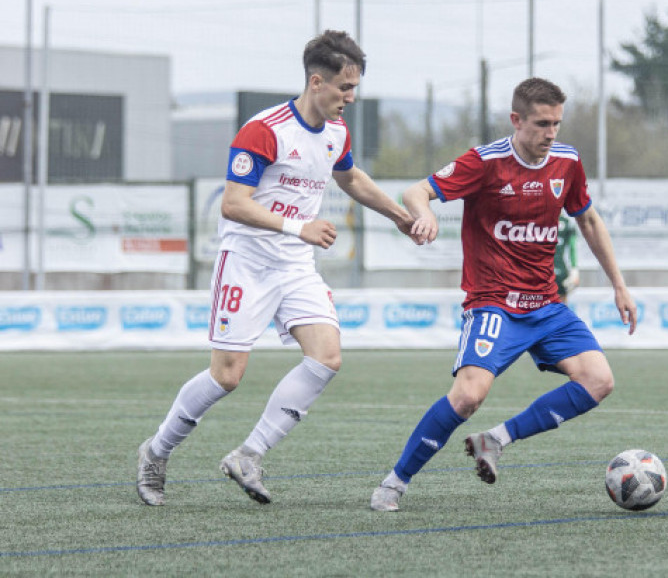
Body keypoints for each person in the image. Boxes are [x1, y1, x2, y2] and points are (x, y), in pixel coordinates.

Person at [137, 30, 420, 506]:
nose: (350, 98)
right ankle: (156, 451)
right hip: (246, 263)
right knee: (227, 376)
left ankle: (249, 454)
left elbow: (349, 176)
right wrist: (299, 226)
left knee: (327, 356)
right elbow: (233, 204)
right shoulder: (263, 130)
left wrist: (398, 216)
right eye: (344, 88)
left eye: (354, 88)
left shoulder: (336, 132)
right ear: (316, 82)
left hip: (294, 266)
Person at [370, 77, 638, 512]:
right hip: (494, 301)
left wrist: (619, 285)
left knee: (599, 380)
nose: (551, 134)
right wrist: (424, 215)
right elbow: (415, 191)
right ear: (516, 120)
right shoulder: (485, 162)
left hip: (547, 304)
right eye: (541, 123)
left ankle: (495, 439)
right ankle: (395, 482)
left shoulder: (567, 162)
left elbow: (588, 221)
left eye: (557, 124)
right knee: (468, 396)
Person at [554, 214, 580, 304]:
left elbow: (572, 247)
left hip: (556, 271)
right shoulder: (567, 223)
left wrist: (574, 270)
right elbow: (572, 248)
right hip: (555, 270)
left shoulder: (567, 223)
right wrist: (574, 269)